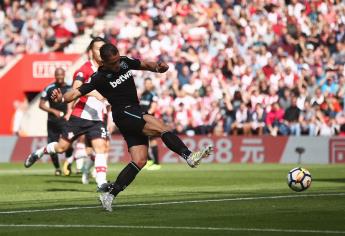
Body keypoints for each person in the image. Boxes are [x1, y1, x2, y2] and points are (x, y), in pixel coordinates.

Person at [51, 43, 213, 211]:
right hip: (124, 114)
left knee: (140, 160)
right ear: (103, 63)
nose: (117, 65)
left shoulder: (124, 62)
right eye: (113, 63)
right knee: (161, 127)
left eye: (117, 60)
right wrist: (61, 98)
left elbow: (145, 64)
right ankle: (189, 156)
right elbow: (75, 93)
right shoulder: (98, 77)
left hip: (133, 112)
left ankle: (109, 195)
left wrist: (158, 67)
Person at [24, 38, 110, 192]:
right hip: (80, 116)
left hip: (98, 118)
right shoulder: (84, 69)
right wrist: (95, 94)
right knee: (62, 147)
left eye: (103, 49)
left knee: (101, 148)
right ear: (91, 51)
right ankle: (39, 153)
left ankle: (102, 185)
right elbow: (76, 87)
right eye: (98, 49)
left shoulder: (108, 69)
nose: (101, 52)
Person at [38, 67, 73, 176]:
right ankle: (57, 168)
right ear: (55, 76)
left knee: (68, 144)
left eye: (61, 74)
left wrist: (69, 112)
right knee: (52, 145)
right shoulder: (49, 88)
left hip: (66, 121)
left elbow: (74, 101)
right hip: (52, 121)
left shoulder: (70, 87)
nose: (59, 77)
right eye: (57, 75)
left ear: (64, 75)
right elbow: (41, 105)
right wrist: (53, 110)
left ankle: (68, 165)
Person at [140, 78, 161, 170]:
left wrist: (146, 114)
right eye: (146, 83)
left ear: (151, 84)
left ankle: (157, 163)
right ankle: (149, 161)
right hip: (143, 119)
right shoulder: (143, 94)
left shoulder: (154, 94)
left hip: (150, 120)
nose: (148, 85)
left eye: (149, 83)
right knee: (144, 140)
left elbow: (153, 108)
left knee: (152, 140)